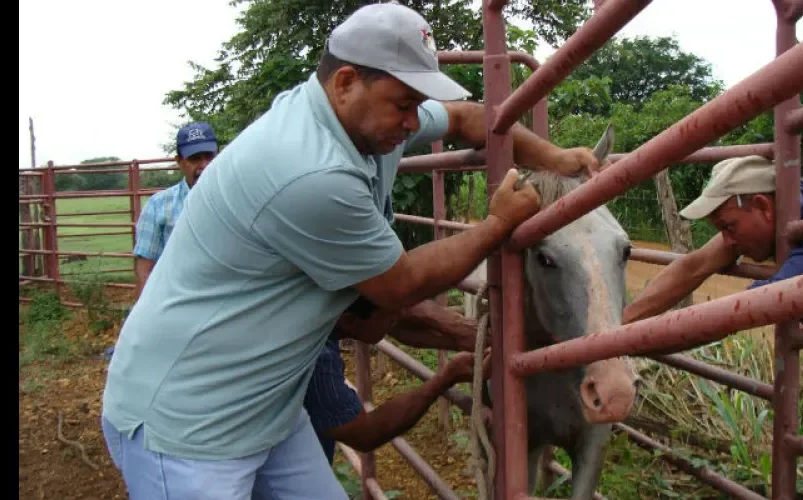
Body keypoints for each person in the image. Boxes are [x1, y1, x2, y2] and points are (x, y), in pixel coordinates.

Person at [100, 3, 601, 499]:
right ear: (345, 83)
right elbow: (399, 283)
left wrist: (556, 158)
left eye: (416, 104)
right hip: (189, 428)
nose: (412, 122)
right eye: (403, 104)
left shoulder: (361, 121)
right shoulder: (310, 170)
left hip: (267, 407)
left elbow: (466, 118)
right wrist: (498, 224)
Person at [622, 155, 803, 326]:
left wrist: (623, 341)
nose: (727, 242)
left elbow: (736, 313)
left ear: (762, 206)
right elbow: (694, 267)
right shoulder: (782, 209)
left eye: (729, 227)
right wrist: (620, 325)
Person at [306, 301, 490, 464]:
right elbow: (365, 432)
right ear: (349, 321)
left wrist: (459, 333)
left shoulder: (329, 306)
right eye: (392, 315)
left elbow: (394, 318)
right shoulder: (316, 358)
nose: (401, 315)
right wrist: (446, 378)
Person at [132, 121, 219, 298]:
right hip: (178, 301)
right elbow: (145, 270)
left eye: (209, 157)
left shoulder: (235, 197)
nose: (204, 166)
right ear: (179, 161)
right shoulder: (158, 205)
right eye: (195, 159)